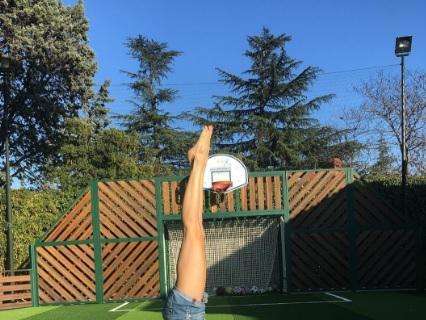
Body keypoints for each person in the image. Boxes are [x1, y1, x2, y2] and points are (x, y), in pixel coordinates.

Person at [162, 125, 213, 320]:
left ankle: (199, 161)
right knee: (197, 230)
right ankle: (198, 162)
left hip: (185, 310)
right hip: (190, 308)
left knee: (192, 229)